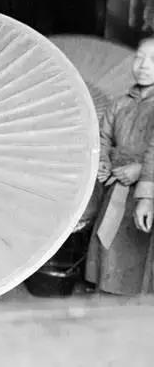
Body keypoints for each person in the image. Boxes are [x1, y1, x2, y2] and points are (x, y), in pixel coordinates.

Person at [85, 36, 154, 295]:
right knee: (108, 252)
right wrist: (103, 161)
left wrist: (142, 179)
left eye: (153, 60)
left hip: (146, 193)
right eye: (139, 58)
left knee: (137, 259)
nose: (143, 65)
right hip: (116, 188)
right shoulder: (121, 103)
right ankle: (105, 300)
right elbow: (103, 138)